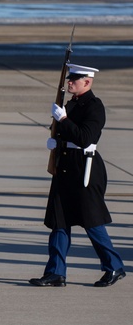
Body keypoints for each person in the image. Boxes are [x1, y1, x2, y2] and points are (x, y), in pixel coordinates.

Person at [31, 64, 126, 288]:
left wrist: (64, 121)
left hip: (86, 169)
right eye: (69, 78)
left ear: (88, 82)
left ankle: (113, 266)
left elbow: (85, 138)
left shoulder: (94, 106)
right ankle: (55, 272)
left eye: (75, 78)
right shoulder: (71, 104)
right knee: (59, 222)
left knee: (92, 222)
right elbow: (68, 134)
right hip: (65, 166)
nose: (69, 82)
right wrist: (56, 140)